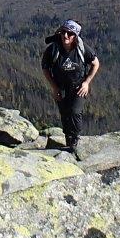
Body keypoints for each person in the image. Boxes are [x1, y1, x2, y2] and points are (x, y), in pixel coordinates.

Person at [41, 19, 100, 160]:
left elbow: (95, 63)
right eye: (63, 32)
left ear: (76, 36)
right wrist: (54, 87)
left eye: (70, 33)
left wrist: (86, 82)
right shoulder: (53, 49)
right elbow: (45, 68)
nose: (66, 36)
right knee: (65, 113)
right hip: (60, 87)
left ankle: (75, 140)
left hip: (78, 87)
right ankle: (69, 139)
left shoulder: (82, 48)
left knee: (75, 112)